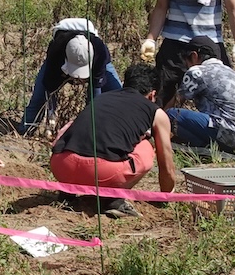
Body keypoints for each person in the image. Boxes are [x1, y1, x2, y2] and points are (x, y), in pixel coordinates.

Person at [48, 63, 179, 217]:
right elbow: (166, 164)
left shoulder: (102, 98)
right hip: (101, 172)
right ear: (152, 94)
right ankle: (113, 199)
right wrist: (166, 195)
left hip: (61, 165)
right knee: (146, 148)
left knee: (72, 125)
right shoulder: (155, 112)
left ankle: (67, 194)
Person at [166, 35, 235, 154]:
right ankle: (210, 150)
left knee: (171, 114)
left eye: (187, 61)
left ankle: (203, 150)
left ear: (194, 56)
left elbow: (177, 101)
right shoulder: (231, 72)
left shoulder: (197, 71)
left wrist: (154, 122)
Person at [19, 18, 121, 133]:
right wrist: (51, 117)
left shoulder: (100, 53)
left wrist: (91, 121)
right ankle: (25, 130)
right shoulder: (56, 52)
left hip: (95, 57)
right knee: (38, 98)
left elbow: (95, 95)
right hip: (60, 54)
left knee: (119, 93)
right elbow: (49, 87)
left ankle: (117, 130)